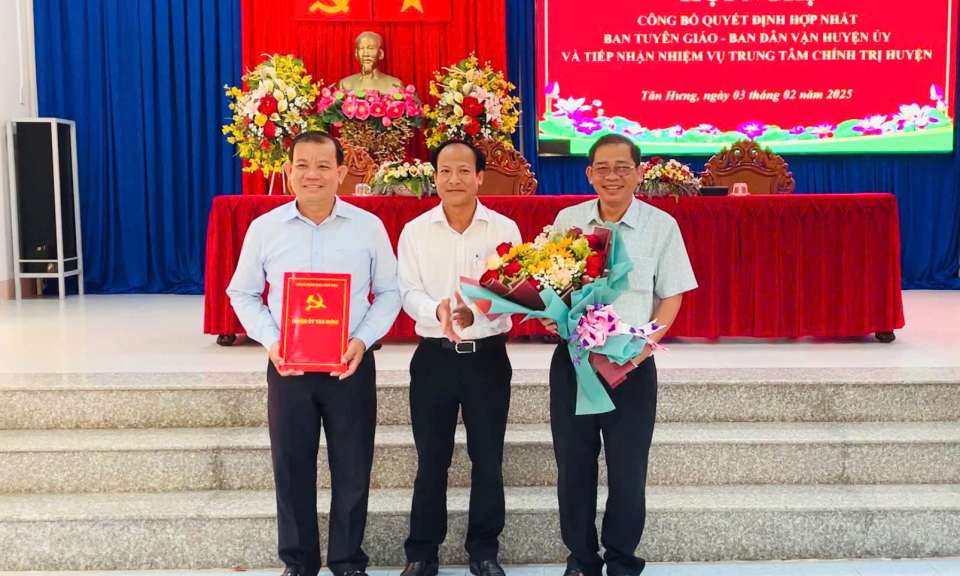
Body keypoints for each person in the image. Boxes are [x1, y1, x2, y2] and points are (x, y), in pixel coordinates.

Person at [226, 131, 402, 576]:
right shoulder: (265, 228)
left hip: (351, 365)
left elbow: (390, 291)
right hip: (288, 367)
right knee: (290, 467)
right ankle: (299, 562)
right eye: (302, 165)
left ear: (341, 173)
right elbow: (242, 292)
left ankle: (347, 562)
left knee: (353, 467)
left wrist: (363, 339)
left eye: (324, 166)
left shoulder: (368, 227)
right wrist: (273, 342)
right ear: (288, 171)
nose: (312, 174)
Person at [543, 134, 698, 576]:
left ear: (639, 173)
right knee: (574, 467)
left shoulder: (661, 226)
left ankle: (622, 561)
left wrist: (643, 348)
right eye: (603, 168)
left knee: (628, 472)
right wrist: (551, 316)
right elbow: (549, 284)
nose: (612, 176)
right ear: (589, 174)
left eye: (622, 168)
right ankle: (581, 560)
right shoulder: (569, 220)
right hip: (575, 362)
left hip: (631, 366)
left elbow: (671, 295)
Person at [396, 140, 522, 576]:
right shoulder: (415, 231)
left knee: (487, 460)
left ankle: (484, 551)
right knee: (432, 460)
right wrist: (440, 311)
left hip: (487, 359)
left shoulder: (504, 229)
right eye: (445, 171)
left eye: (464, 171)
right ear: (434, 177)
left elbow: (514, 293)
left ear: (480, 177)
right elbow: (408, 290)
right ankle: (421, 553)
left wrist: (477, 312)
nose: (454, 179)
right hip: (434, 359)